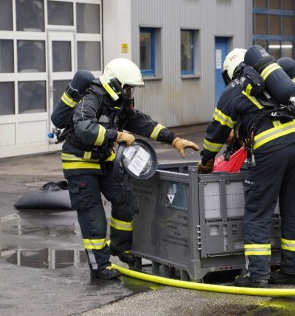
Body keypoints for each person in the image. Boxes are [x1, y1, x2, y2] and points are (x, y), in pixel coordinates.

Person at [51, 61, 199, 280]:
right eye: (127, 88)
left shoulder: (117, 103)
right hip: (79, 162)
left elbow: (143, 123)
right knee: (94, 215)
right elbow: (84, 129)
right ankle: (100, 266)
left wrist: (173, 139)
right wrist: (117, 136)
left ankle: (120, 247)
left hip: (104, 158)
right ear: (114, 84)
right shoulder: (91, 98)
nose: (130, 93)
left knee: (125, 200)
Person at [198, 47, 295, 288]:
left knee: (258, 210)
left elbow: (216, 132)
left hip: (271, 148)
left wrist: (207, 159)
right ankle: (294, 271)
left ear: (230, 72)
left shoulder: (234, 89)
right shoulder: (274, 80)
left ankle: (257, 274)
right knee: (294, 208)